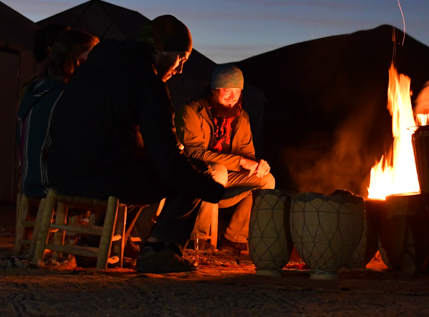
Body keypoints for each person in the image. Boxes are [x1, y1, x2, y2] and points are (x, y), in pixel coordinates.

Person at [46, 15, 226, 273]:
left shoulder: (93, 68)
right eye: (180, 59)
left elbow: (104, 131)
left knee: (138, 166)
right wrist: (213, 191)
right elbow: (166, 157)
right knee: (193, 173)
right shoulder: (147, 82)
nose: (180, 69)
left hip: (61, 174)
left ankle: (98, 243)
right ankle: (160, 250)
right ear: (161, 52)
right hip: (100, 178)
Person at [176, 64, 275, 252]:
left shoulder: (242, 118)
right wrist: (239, 162)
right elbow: (195, 153)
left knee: (267, 180)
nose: (232, 97)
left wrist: (258, 166)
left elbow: (248, 157)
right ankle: (198, 237)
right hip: (194, 179)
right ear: (214, 90)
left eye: (237, 92)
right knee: (218, 171)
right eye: (227, 91)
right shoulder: (191, 112)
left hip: (226, 181)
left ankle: (234, 238)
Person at [17, 29, 98, 198]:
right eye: (93, 53)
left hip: (29, 179)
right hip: (50, 184)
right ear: (76, 57)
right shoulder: (66, 95)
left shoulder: (36, 89)